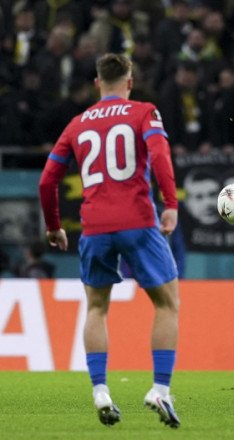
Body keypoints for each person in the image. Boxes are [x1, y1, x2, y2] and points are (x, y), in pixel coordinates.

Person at [38, 53, 181, 429]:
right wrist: (170, 204)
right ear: (130, 82)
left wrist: (54, 226)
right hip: (138, 222)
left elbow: (47, 181)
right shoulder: (144, 112)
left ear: (97, 83)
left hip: (95, 227)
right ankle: (160, 389)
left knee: (96, 308)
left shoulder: (77, 123)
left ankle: (100, 390)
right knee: (167, 303)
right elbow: (160, 155)